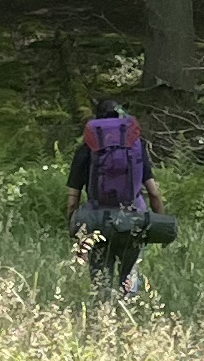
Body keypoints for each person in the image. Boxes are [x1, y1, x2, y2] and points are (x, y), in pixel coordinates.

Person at [66, 101, 180, 293]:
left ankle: (103, 316)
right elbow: (153, 192)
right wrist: (159, 219)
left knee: (101, 279)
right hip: (133, 220)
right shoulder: (134, 148)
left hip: (97, 222)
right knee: (129, 275)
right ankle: (127, 313)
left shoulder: (86, 149)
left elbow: (72, 201)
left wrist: (77, 233)